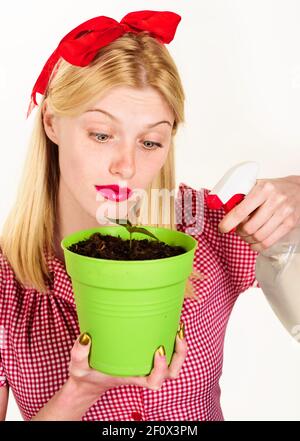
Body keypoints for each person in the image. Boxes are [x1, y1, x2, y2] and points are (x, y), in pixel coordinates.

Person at [0, 10, 299, 421]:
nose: (125, 166)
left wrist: (296, 196)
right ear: (52, 122)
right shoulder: (6, 283)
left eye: (150, 141)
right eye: (101, 134)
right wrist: (79, 393)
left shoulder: (200, 222)